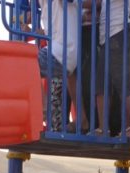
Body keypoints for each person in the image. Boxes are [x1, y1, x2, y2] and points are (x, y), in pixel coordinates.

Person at [37, 0, 87, 131]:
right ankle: (82, 119)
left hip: (61, 52)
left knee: (27, 63)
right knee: (70, 77)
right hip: (67, 54)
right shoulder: (47, 7)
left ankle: (42, 111)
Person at [94, 0, 130, 137]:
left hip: (117, 32)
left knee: (122, 82)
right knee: (102, 83)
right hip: (108, 36)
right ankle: (102, 128)